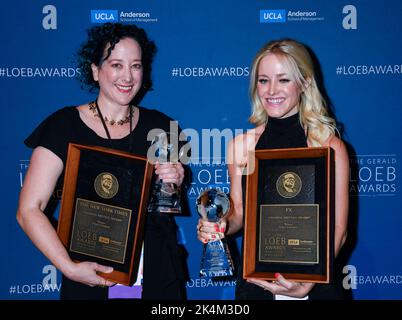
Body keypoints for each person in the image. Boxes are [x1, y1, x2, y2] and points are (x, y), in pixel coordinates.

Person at [16, 23, 187, 300]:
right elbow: (29, 209)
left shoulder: (163, 127)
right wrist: (69, 268)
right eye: (116, 64)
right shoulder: (64, 126)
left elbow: (167, 203)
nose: (128, 76)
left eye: (136, 65)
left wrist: (174, 181)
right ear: (95, 70)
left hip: (159, 278)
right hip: (89, 279)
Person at [197, 39, 349, 300]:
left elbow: (339, 230)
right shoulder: (241, 146)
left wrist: (307, 282)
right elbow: (239, 213)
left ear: (305, 83)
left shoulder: (329, 146)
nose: (271, 90)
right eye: (263, 80)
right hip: (257, 285)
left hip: (316, 286)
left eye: (283, 80)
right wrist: (219, 225)